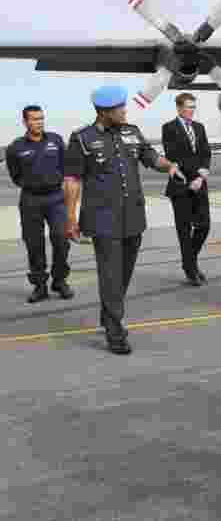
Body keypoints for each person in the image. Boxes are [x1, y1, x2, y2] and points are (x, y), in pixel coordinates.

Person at [63, 86, 183, 355]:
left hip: (133, 216)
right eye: (120, 109)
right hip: (102, 218)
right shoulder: (82, 138)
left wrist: (170, 166)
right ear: (104, 112)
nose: (125, 112)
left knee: (123, 274)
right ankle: (115, 332)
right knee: (110, 275)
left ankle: (109, 315)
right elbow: (72, 180)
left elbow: (150, 156)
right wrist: (70, 218)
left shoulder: (132, 132)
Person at [6, 105, 73, 302]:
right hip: (30, 200)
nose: (39, 122)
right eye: (34, 119)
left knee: (61, 239)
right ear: (25, 122)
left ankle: (59, 280)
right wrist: (32, 184)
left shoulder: (56, 141)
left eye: (41, 118)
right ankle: (40, 286)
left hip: (56, 198)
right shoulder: (15, 147)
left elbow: (65, 167)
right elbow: (15, 175)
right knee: (34, 243)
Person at [161, 92, 212, 286]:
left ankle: (188, 262)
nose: (192, 110)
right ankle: (191, 269)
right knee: (184, 230)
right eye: (189, 107)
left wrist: (201, 175)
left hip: (199, 184)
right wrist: (195, 173)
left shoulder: (199, 127)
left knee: (204, 226)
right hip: (180, 186)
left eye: (193, 107)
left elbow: (205, 152)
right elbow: (174, 156)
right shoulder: (169, 128)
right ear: (179, 108)